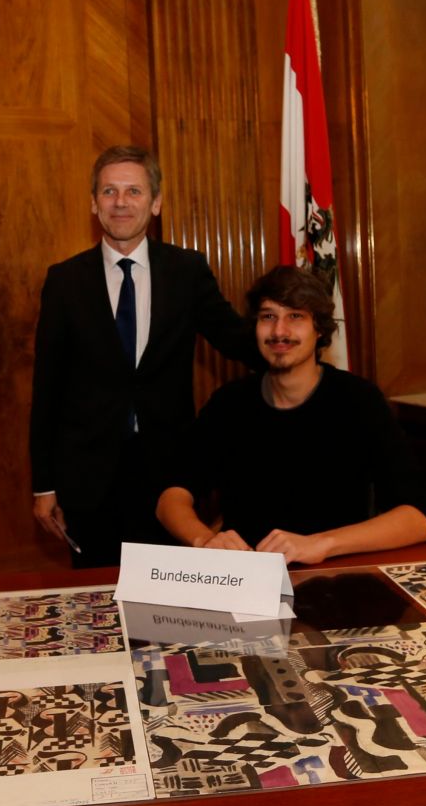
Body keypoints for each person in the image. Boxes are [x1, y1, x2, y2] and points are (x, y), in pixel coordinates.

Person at [29, 146, 260, 567]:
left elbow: (236, 340)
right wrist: (44, 485)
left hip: (169, 480)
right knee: (97, 604)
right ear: (93, 202)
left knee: (173, 608)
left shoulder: (187, 271)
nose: (121, 202)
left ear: (155, 202)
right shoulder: (64, 281)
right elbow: (48, 387)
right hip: (87, 479)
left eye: (134, 191)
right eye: (109, 191)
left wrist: (292, 341)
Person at [156, 265, 426, 565]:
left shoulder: (358, 401)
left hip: (336, 579)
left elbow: (419, 517)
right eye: (268, 317)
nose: (279, 331)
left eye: (296, 316)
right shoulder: (230, 403)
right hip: (246, 583)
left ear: (319, 329)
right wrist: (205, 540)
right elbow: (171, 497)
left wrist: (321, 544)